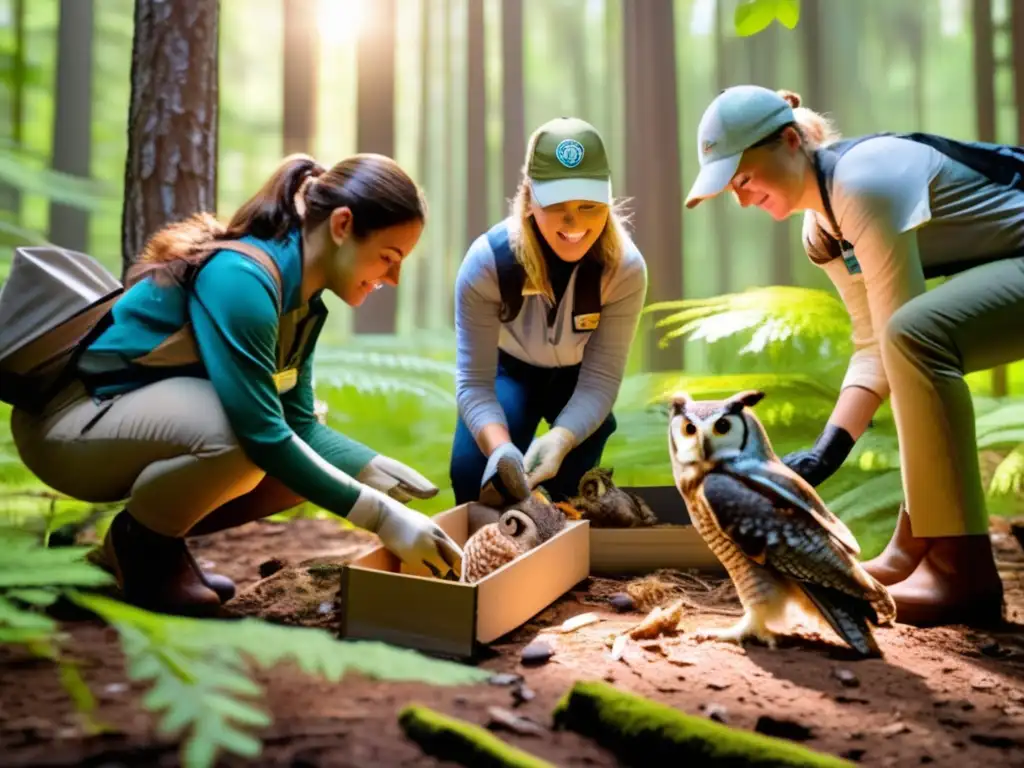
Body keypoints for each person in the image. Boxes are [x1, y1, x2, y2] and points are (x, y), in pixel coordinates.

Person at [11, 153, 463, 616]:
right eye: (389, 258)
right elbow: (262, 432)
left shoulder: (301, 305)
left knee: (291, 467)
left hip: (120, 425)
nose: (392, 277)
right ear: (343, 226)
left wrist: (368, 468)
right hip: (70, 424)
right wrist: (382, 518)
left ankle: (107, 546)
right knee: (239, 438)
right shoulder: (242, 280)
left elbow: (299, 425)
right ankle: (136, 552)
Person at [684, 84, 1024, 627]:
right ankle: (914, 549)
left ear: (791, 141)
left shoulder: (862, 182)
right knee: (911, 338)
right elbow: (874, 344)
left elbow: (902, 333)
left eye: (743, 179)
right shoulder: (822, 229)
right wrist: (826, 450)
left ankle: (961, 572)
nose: (742, 199)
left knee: (918, 335)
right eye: (731, 190)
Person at [450, 117, 648, 508]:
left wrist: (562, 437)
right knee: (474, 474)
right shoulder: (488, 262)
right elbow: (474, 382)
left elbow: (601, 379)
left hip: (578, 379)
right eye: (556, 205)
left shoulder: (624, 268)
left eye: (590, 205)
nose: (574, 222)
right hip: (510, 372)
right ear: (528, 199)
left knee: (571, 485)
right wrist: (501, 452)